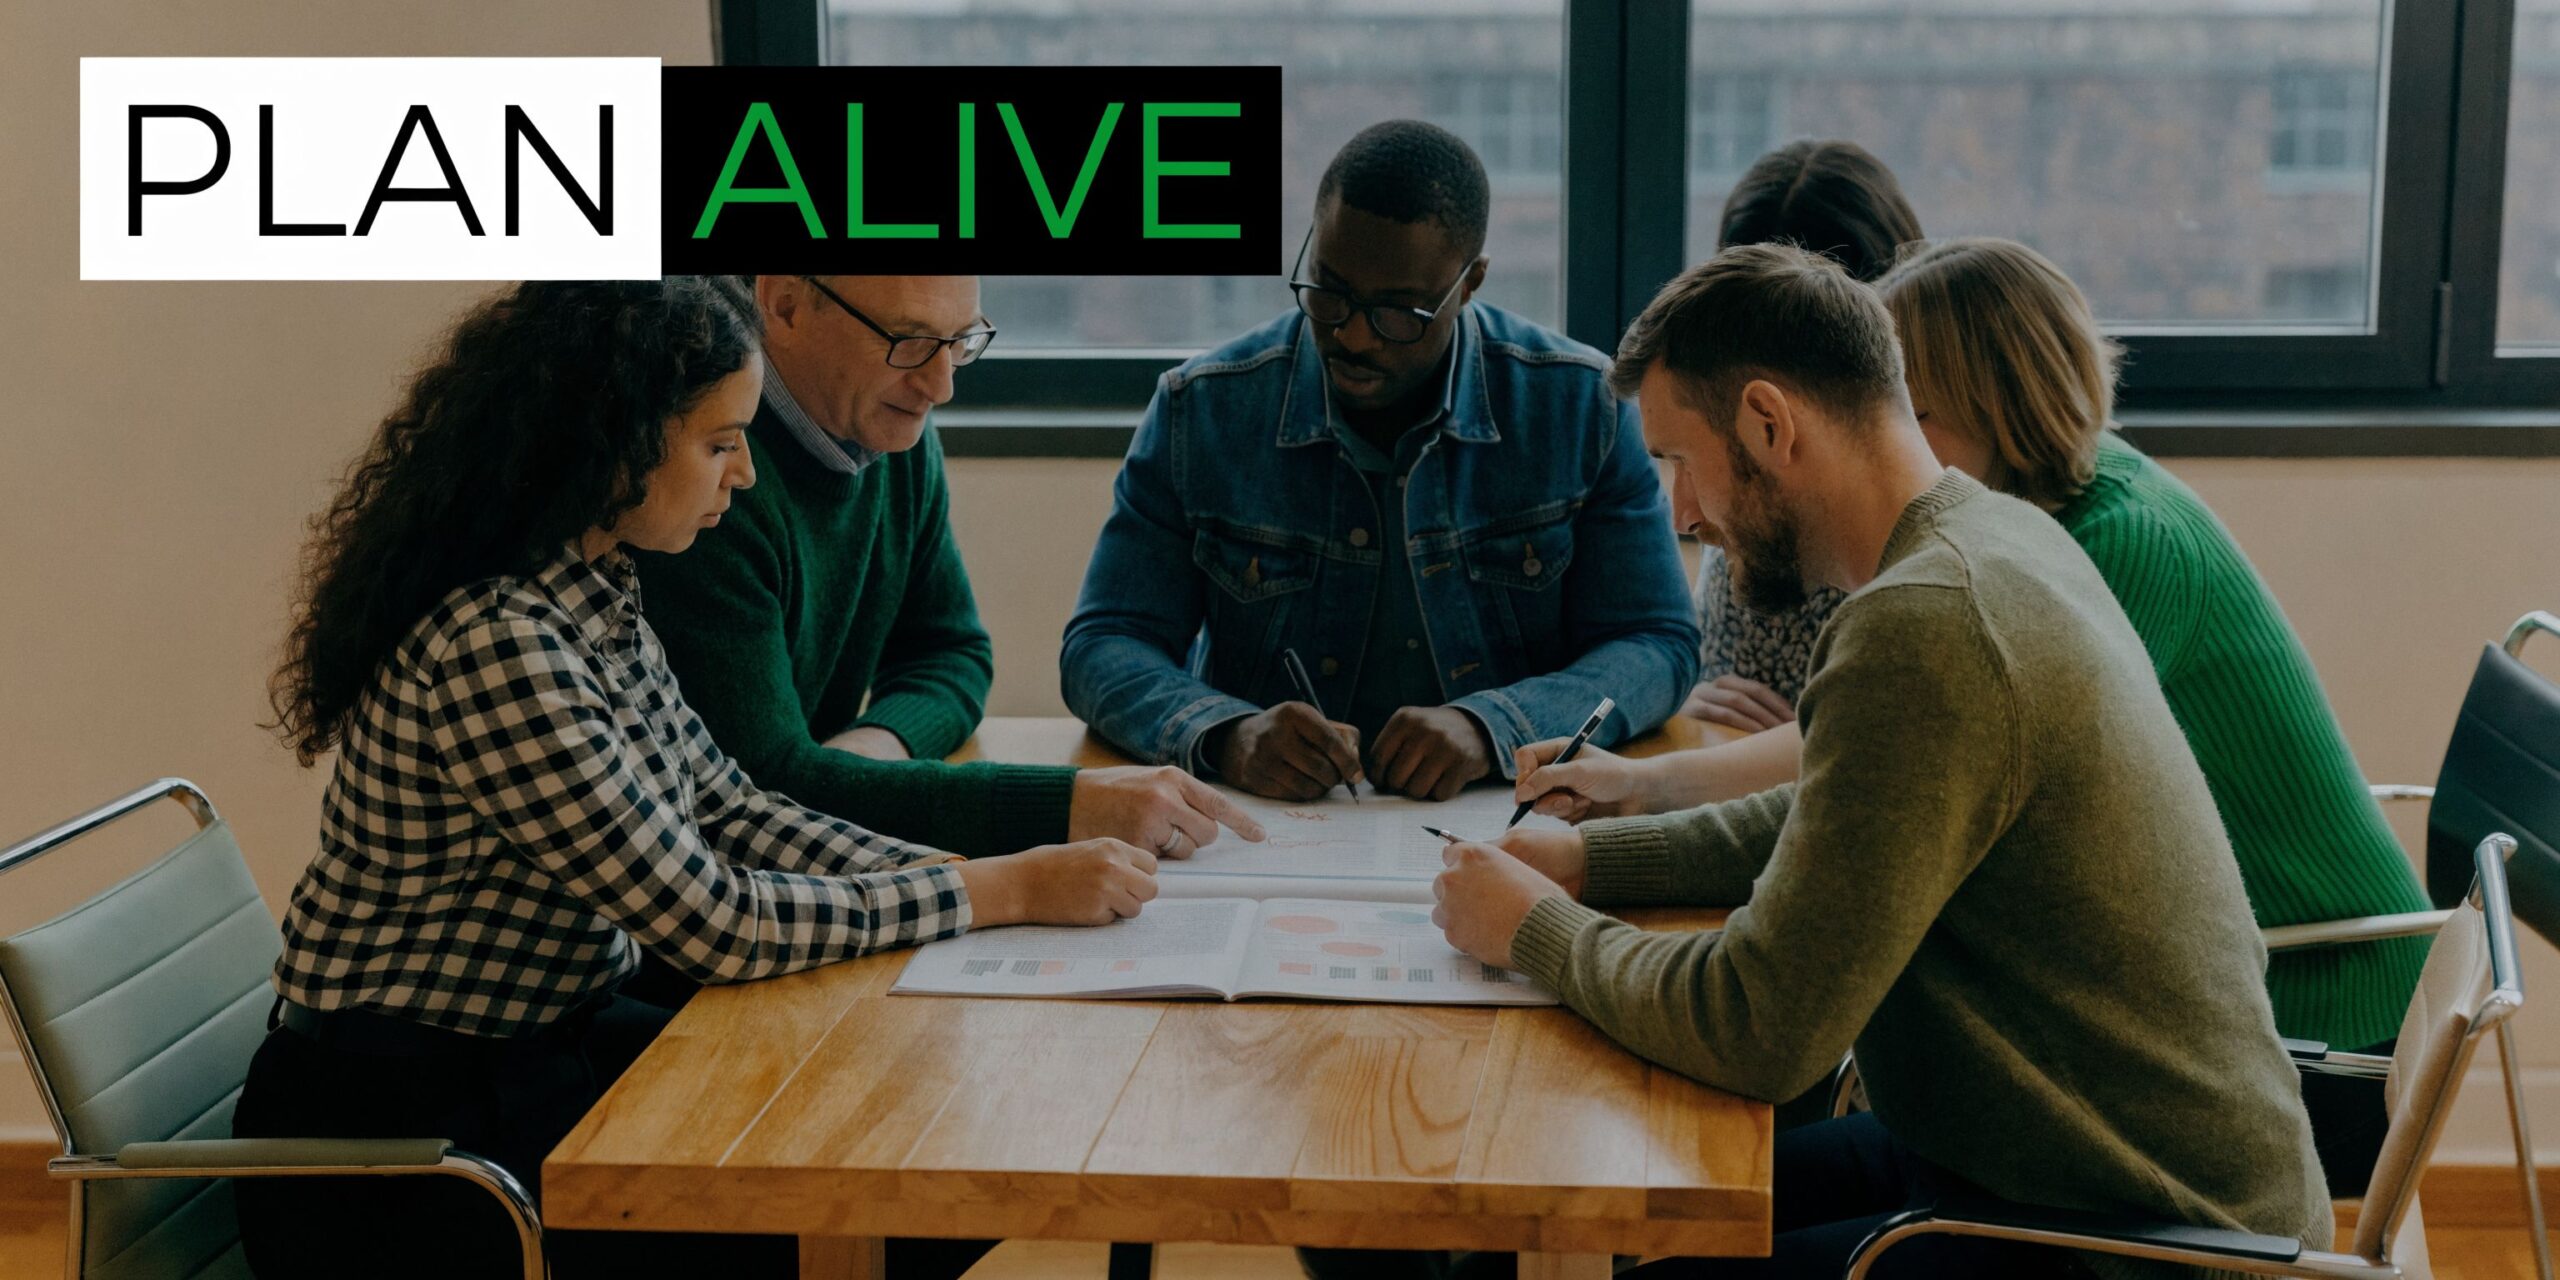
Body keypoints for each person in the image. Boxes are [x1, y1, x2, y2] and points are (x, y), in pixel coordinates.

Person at [1438, 244, 2330, 1277]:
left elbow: (1758, 1025)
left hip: (2147, 1235)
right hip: (2036, 1160)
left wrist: (1535, 928)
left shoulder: (1927, 620)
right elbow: (1854, 816)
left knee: (1655, 1242)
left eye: (1680, 459)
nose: (1682, 515)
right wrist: (1597, 862)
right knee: (1641, 1206)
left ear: (1770, 425)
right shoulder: (1991, 534)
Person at [242, 279, 1159, 1280]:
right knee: (907, 1185)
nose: (750, 473)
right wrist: (993, 889)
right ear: (619, 444)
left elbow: (732, 808)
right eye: (721, 442)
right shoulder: (498, 646)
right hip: (409, 1143)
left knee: (930, 1138)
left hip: (535, 1054)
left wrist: (977, 877)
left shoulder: (588, 586)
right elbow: (713, 920)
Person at [1062, 120, 1698, 803]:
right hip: (1266, 833)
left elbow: (1656, 642)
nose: (1351, 335)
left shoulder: (1580, 407)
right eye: (1329, 292)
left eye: (1399, 312)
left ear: (1470, 281)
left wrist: (1493, 727)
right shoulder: (1203, 410)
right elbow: (1103, 643)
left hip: (1504, 822)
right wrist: (1224, 734)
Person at [635, 275, 1262, 862]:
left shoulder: (880, 420)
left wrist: (875, 749)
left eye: (959, 341)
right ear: (786, 302)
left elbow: (951, 653)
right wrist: (1065, 806)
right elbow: (764, 795)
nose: (941, 386)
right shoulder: (700, 479)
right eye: (908, 341)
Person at [1686, 139, 1922, 734]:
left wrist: (1798, 748)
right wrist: (1681, 697)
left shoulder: (1914, 469)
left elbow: (1896, 736)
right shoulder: (1742, 430)